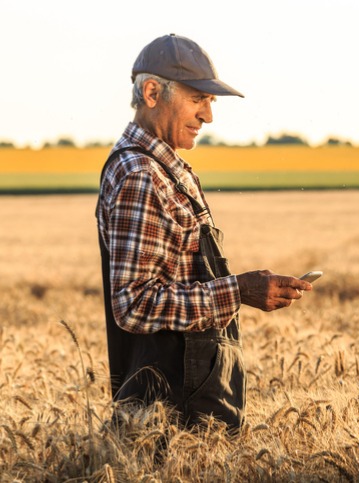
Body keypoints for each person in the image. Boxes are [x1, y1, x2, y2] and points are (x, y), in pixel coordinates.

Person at [96, 34, 312, 429]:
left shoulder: (166, 170)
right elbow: (133, 303)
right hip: (167, 419)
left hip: (190, 409)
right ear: (151, 92)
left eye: (209, 102)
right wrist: (238, 290)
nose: (208, 116)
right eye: (198, 99)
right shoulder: (141, 176)